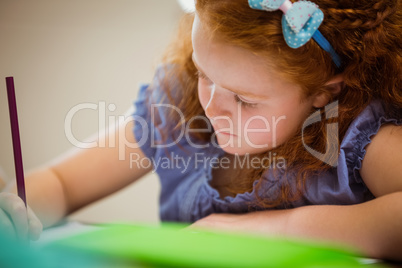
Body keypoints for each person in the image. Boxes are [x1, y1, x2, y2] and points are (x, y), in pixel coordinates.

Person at [1, 0, 401, 261]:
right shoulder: (177, 107)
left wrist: (273, 230)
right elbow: (61, 182)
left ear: (322, 92)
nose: (211, 105)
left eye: (245, 100)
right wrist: (13, 210)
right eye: (203, 73)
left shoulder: (350, 134)